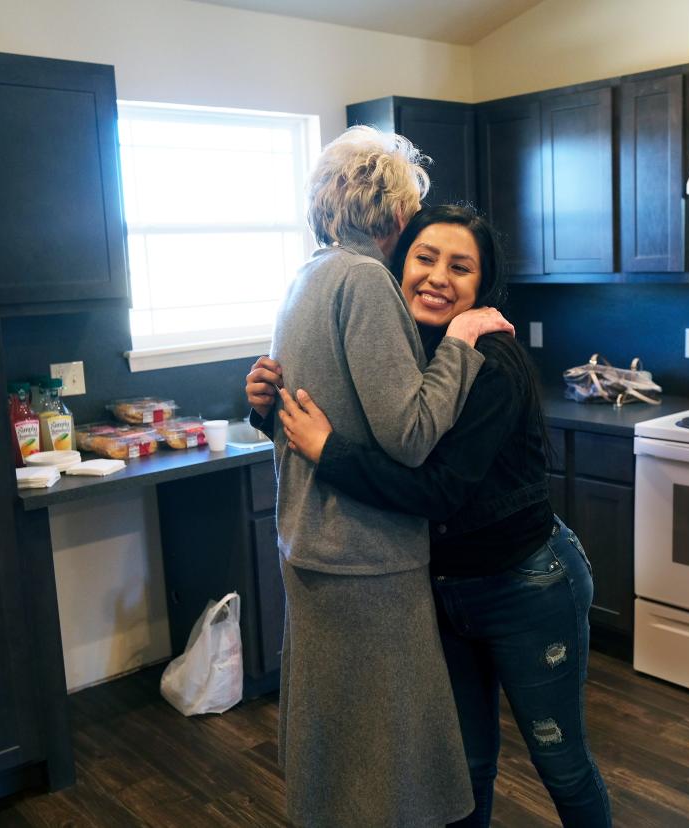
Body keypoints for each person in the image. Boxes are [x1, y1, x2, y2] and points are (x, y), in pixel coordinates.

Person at [248, 204, 612, 827]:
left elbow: (438, 489)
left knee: (561, 762)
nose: (438, 277)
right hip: (439, 593)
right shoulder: (394, 350)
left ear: (481, 286)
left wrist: (327, 452)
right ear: (398, 264)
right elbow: (336, 410)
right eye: (425, 257)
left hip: (526, 585)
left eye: (460, 267)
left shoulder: (490, 364)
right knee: (464, 768)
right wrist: (264, 405)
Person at [262, 128, 514, 827]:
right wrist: (460, 344)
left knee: (333, 748)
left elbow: (308, 414)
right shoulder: (365, 279)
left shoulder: (306, 276)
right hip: (366, 558)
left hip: (310, 545)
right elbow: (407, 437)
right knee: (391, 762)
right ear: (399, 215)